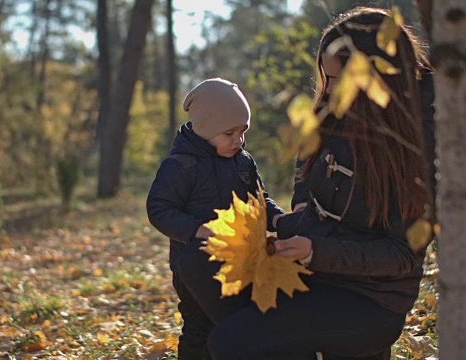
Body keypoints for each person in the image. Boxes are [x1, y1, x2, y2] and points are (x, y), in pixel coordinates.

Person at [206, 7, 433, 360]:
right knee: (217, 306)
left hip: (371, 299)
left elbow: (401, 255)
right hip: (318, 274)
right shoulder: (328, 121)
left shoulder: (413, 147)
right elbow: (305, 188)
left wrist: (314, 249)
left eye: (341, 80)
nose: (330, 93)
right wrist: (287, 222)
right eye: (327, 79)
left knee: (234, 342)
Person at [147, 78, 285, 359]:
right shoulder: (181, 166)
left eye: (243, 131)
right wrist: (197, 229)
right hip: (195, 263)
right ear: (203, 129)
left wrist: (281, 220)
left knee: (235, 322)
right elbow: (159, 209)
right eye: (229, 133)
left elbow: (259, 201)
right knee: (200, 326)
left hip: (239, 260)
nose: (238, 140)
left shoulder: (243, 161)